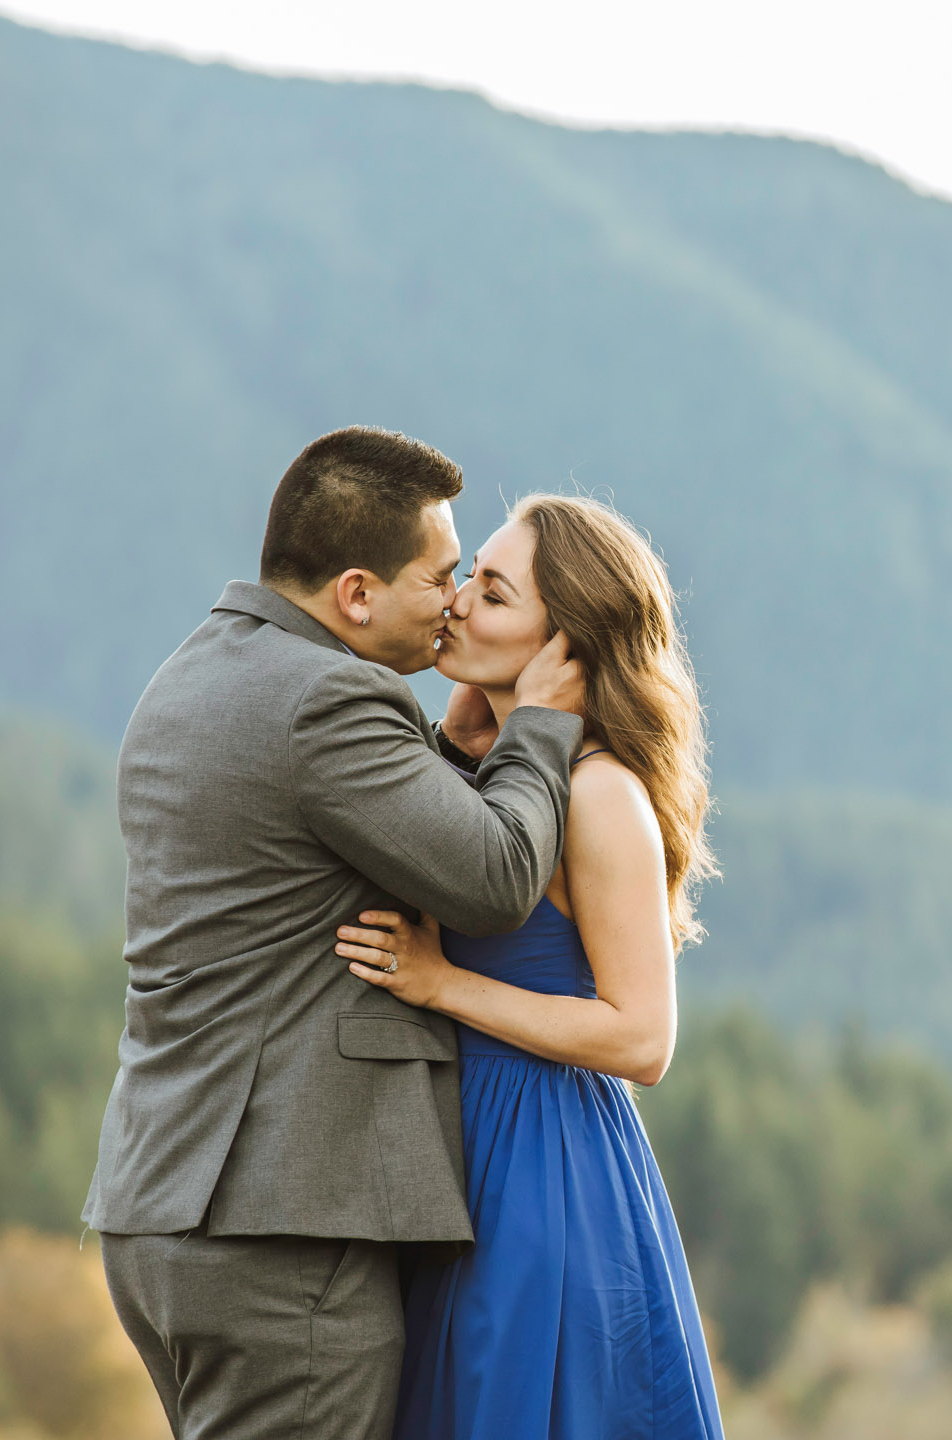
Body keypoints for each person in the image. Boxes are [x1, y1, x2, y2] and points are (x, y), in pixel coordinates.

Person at [85, 428, 586, 1440]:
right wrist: (540, 724)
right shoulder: (332, 699)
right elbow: (492, 878)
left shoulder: (191, 676)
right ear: (357, 594)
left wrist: (452, 746)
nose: (455, 601)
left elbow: (331, 835)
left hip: (162, 1207)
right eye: (441, 578)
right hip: (284, 1230)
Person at [335, 494, 725, 1440]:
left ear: (566, 649)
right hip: (458, 1157)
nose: (458, 602)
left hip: (547, 1173)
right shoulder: (484, 772)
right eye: (470, 577)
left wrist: (440, 984)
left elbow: (642, 1036)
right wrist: (475, 736)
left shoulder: (601, 794)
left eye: (495, 594)